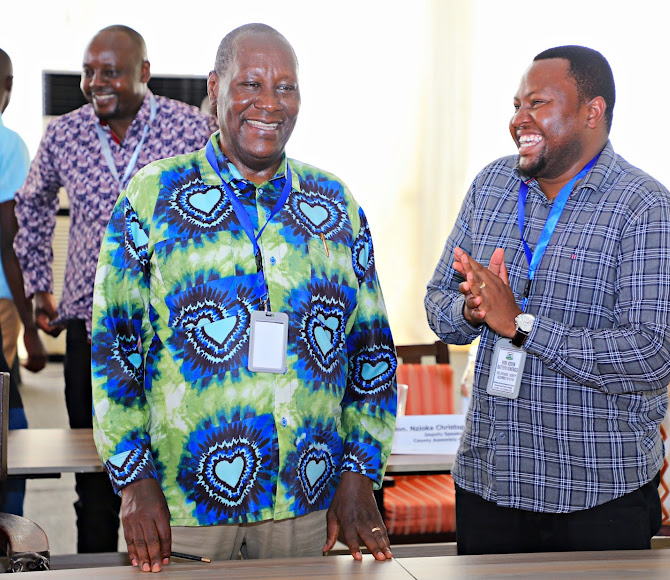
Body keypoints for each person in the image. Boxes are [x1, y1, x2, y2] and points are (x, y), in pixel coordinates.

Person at [91, 23, 396, 572]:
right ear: (215, 89)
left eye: (285, 87)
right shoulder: (153, 195)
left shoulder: (335, 205)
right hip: (183, 504)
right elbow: (115, 351)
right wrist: (134, 481)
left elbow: (372, 353)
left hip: (307, 500)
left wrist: (360, 472)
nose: (269, 103)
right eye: (250, 84)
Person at [425, 45, 670, 555]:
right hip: (490, 482)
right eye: (516, 104)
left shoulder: (647, 209)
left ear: (592, 112)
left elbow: (651, 356)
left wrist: (520, 326)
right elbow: (438, 301)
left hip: (597, 496)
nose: (518, 120)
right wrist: (470, 310)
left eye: (538, 104)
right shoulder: (492, 186)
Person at [13, 25, 218, 553]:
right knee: (95, 472)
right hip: (92, 327)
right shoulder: (65, 133)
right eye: (88, 71)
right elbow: (31, 207)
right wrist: (38, 287)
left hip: (173, 331)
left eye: (109, 71)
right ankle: (99, 567)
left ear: (143, 74)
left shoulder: (190, 128)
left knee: (172, 461)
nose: (94, 82)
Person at [0, 47, 43, 516]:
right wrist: (29, 326)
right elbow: (9, 235)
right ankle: (10, 530)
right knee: (9, 425)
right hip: (2, 299)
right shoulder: (8, 143)